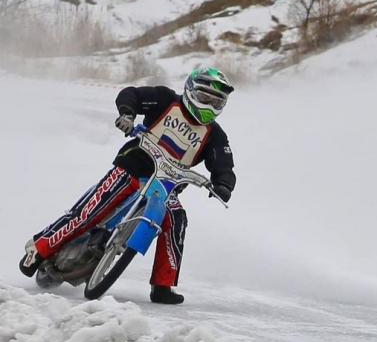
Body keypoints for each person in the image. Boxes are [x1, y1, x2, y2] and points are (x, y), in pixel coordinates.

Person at [19, 67, 236, 305]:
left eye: (216, 100)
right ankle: (39, 249)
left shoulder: (214, 135)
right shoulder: (165, 99)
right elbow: (130, 94)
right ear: (191, 90)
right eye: (206, 96)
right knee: (89, 213)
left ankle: (163, 285)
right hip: (132, 168)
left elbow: (224, 165)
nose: (210, 103)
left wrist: (223, 184)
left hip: (164, 187)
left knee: (177, 220)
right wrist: (127, 115)